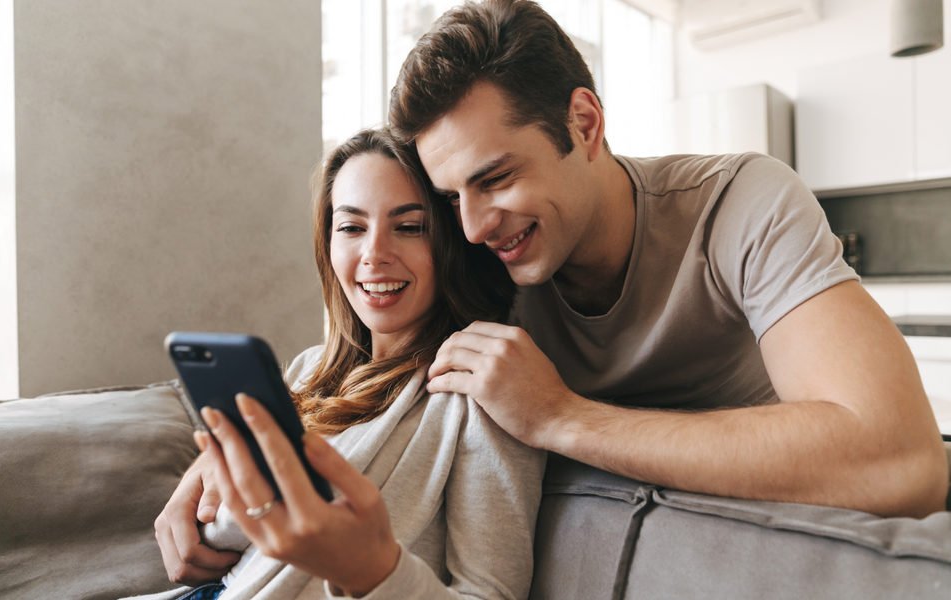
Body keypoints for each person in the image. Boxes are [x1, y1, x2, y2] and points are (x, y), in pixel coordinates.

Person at [387, 0, 948, 518]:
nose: (474, 226)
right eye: (452, 197)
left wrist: (561, 416)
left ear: (584, 125)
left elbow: (900, 460)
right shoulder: (473, 261)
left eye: (497, 178)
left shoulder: (739, 202)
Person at [143, 128, 544, 599]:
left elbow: (490, 594)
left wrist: (371, 571)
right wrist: (211, 475)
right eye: (352, 227)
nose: (374, 254)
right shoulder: (306, 371)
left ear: (453, 242)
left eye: (410, 227)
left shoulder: (481, 390)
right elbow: (223, 533)